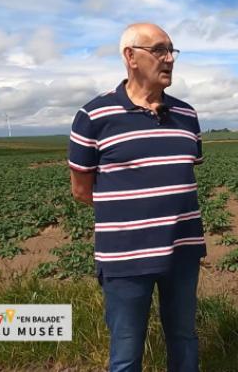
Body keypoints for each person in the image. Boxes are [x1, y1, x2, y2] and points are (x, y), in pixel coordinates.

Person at [68, 23, 205, 372]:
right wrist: (132, 217)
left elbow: (180, 175)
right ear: (130, 57)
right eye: (159, 50)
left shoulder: (187, 115)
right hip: (125, 258)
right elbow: (82, 190)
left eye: (173, 51)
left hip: (182, 252)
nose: (170, 59)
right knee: (127, 352)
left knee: (185, 340)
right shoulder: (93, 116)